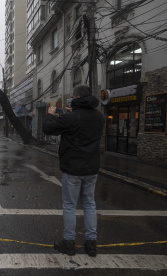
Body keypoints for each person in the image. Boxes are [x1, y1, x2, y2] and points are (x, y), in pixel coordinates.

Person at [42, 84, 104, 257]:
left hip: (73, 169)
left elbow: (48, 128)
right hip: (91, 168)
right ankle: (91, 244)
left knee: (70, 205)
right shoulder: (99, 117)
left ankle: (69, 242)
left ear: (76, 98)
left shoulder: (71, 117)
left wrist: (50, 115)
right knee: (89, 204)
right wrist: (71, 114)